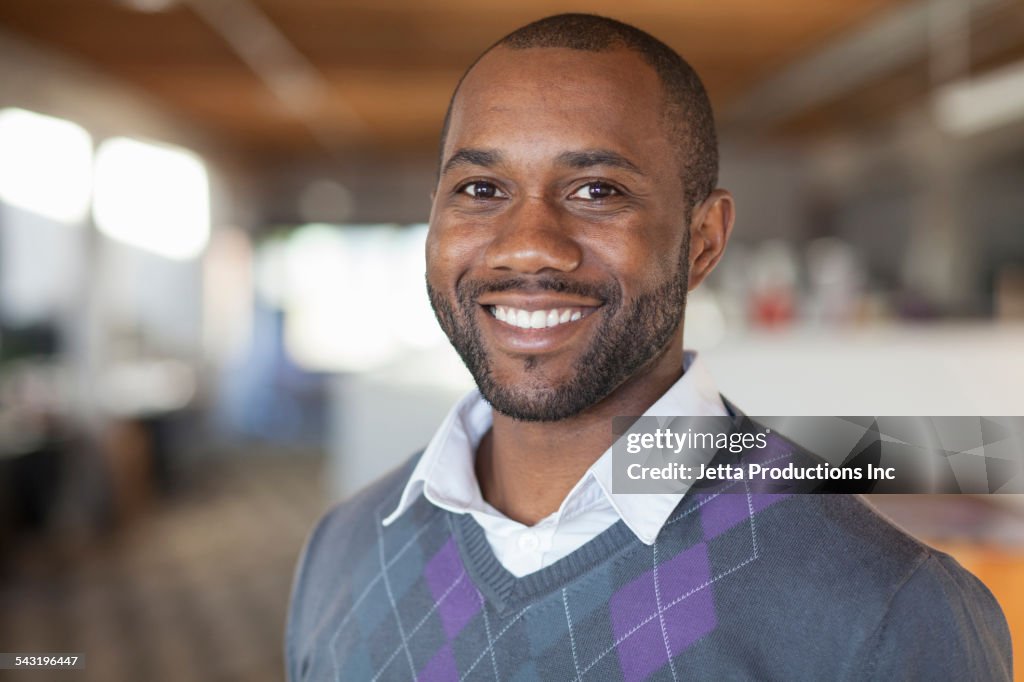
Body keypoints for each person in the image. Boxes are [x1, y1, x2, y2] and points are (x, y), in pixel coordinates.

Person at [286, 14, 1011, 681]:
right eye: (480, 188)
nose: (528, 245)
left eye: (597, 191)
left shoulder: (887, 609)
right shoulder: (341, 553)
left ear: (703, 241)